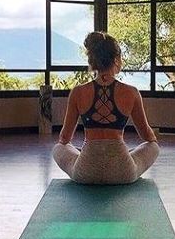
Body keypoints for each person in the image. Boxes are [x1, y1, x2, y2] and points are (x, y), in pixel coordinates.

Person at [52, 31, 160, 184]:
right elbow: (147, 136)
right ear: (116, 59)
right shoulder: (131, 92)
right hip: (123, 173)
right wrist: (150, 142)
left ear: (93, 59)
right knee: (154, 147)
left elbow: (64, 138)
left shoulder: (78, 92)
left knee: (58, 148)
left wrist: (79, 151)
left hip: (86, 173)